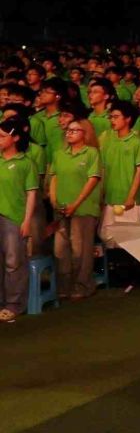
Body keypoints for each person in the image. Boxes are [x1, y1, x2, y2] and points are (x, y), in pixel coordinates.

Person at [47, 118, 103, 300]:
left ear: (85, 133)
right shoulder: (59, 154)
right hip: (61, 208)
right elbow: (54, 177)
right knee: (60, 249)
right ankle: (64, 286)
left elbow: (92, 180)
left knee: (80, 250)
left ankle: (83, 285)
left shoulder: (91, 153)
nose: (69, 133)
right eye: (68, 130)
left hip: (84, 208)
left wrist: (76, 204)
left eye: (75, 130)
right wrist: (53, 199)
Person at [1, 117, 39, 321]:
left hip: (14, 217)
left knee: (13, 262)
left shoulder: (26, 163)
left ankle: (14, 305)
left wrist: (26, 221)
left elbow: (31, 194)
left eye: (2, 136)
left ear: (15, 138)